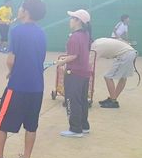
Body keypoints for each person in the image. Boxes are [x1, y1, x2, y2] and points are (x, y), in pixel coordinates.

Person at [0, 0, 47, 158]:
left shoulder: (16, 31)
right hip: (37, 88)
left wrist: (11, 71)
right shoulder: (42, 33)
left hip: (17, 86)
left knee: (0, 121)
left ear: (26, 11)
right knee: (31, 125)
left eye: (21, 7)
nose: (19, 10)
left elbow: (11, 60)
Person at [56, 9, 92, 138]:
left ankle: (75, 129)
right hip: (84, 73)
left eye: (72, 18)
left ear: (78, 21)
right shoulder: (86, 34)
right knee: (82, 100)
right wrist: (64, 59)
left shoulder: (74, 37)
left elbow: (73, 56)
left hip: (74, 73)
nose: (70, 21)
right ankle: (84, 126)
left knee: (71, 100)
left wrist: (61, 62)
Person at [91, 37, 137, 108]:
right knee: (123, 77)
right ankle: (113, 99)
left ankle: (113, 101)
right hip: (131, 52)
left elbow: (90, 63)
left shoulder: (95, 48)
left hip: (125, 55)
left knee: (108, 77)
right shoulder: (98, 41)